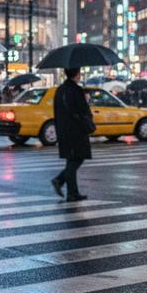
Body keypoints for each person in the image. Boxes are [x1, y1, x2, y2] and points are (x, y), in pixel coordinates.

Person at [51, 68, 95, 201]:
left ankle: (72, 191)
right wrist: (86, 101)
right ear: (77, 74)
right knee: (76, 158)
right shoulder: (76, 90)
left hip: (64, 130)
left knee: (72, 159)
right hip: (76, 130)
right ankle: (61, 182)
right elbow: (82, 111)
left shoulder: (60, 90)